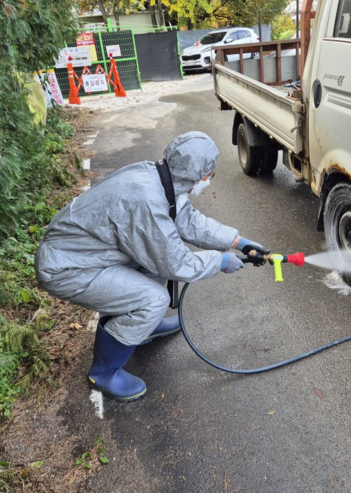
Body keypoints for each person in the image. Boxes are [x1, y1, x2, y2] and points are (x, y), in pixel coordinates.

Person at [35, 131, 269, 402]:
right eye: (208, 174)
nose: (208, 180)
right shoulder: (145, 200)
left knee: (152, 268)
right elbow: (177, 263)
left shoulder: (160, 178)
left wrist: (236, 241)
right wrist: (221, 261)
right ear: (195, 175)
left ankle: (142, 327)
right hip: (69, 268)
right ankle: (104, 372)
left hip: (90, 255)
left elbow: (188, 219)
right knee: (153, 298)